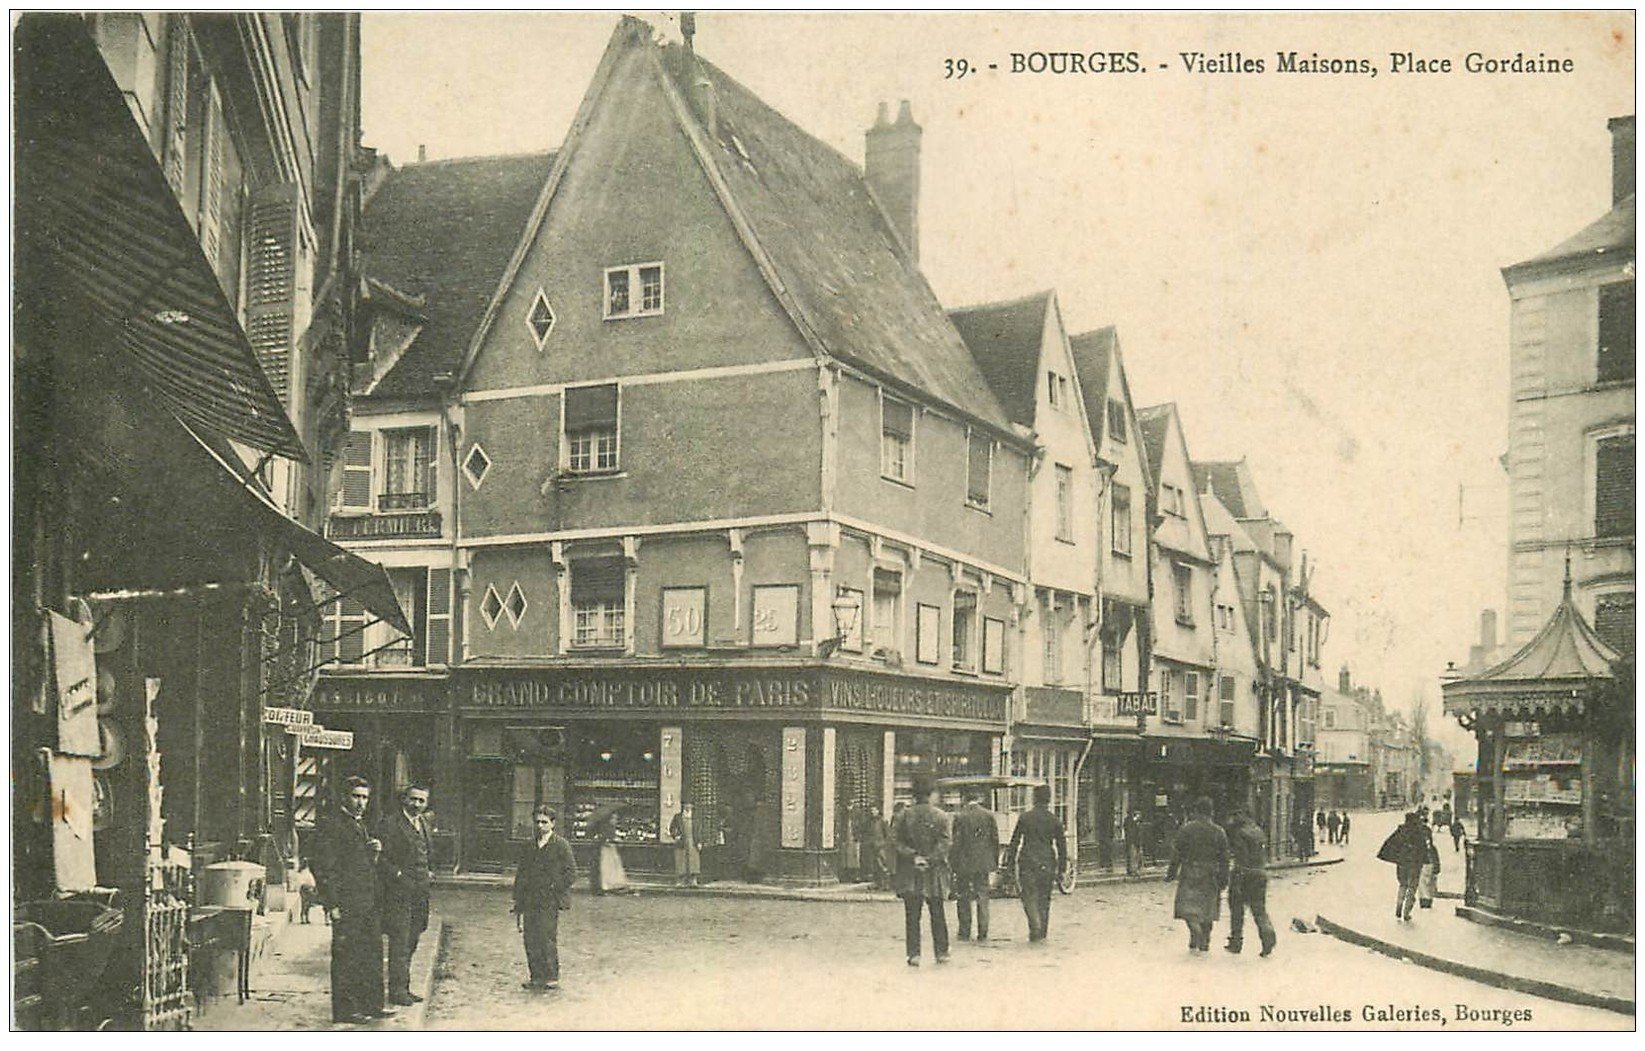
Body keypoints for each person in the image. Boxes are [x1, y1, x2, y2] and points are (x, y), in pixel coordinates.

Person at [311, 776, 391, 1024]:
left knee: (370, 953)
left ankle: (371, 1004)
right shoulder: (332, 825)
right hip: (347, 903)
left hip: (366, 901)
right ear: (344, 797)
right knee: (347, 957)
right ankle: (346, 1010)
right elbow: (325, 868)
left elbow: (358, 862)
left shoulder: (359, 824)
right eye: (356, 796)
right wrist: (332, 904)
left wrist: (373, 853)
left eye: (365, 797)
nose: (360, 802)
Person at [376, 783, 432, 1007]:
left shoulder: (424, 823)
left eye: (421, 801)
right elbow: (380, 859)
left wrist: (428, 872)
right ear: (404, 800)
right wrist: (398, 875)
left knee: (413, 939)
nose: (417, 804)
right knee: (399, 941)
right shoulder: (390, 824)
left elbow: (427, 852)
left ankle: (404, 987)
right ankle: (397, 990)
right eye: (413, 799)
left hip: (420, 893)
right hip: (399, 893)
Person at [512, 805, 577, 990]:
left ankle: (550, 976)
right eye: (537, 822)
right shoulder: (529, 845)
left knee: (546, 937)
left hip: (549, 899)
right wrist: (518, 898)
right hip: (530, 898)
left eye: (544, 822)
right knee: (530, 938)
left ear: (553, 824)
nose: (540, 826)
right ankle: (536, 976)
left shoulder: (561, 845)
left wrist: (554, 887)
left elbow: (571, 873)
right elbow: (522, 873)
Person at [891, 776, 952, 966]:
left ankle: (914, 954)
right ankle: (941, 952)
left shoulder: (903, 815)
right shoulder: (942, 816)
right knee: (937, 913)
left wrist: (913, 856)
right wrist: (930, 859)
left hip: (911, 872)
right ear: (931, 794)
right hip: (933, 872)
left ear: (913, 794)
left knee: (912, 915)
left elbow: (894, 841)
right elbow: (945, 843)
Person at [1007, 784, 1069, 944]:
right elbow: (1062, 846)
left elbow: (1014, 842)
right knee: (1044, 898)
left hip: (1028, 860)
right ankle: (1042, 932)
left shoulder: (1025, 818)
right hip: (1047, 861)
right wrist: (1062, 869)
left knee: (1028, 896)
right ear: (1049, 799)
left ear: (1034, 799)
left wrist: (1009, 864)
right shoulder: (1054, 820)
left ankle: (1034, 926)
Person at [1167, 796, 1229, 955]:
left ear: (1195, 811)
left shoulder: (1186, 829)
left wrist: (1171, 873)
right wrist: (1224, 878)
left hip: (1190, 871)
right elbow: (1224, 858)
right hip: (1211, 873)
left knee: (1188, 907)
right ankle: (1205, 942)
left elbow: (1177, 853)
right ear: (1211, 812)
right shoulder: (1219, 831)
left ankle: (1195, 931)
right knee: (1208, 909)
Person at [1222, 808, 1276, 957]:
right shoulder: (1258, 830)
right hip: (1260, 872)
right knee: (1259, 909)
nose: (1234, 818)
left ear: (1243, 816)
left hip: (1244, 873)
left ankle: (1236, 942)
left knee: (1236, 909)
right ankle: (1267, 935)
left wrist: (1237, 878)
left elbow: (1242, 856)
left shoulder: (1240, 833)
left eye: (1236, 815)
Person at [951, 789, 1000, 942]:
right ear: (978, 798)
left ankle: (965, 931)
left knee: (964, 895)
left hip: (964, 863)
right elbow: (995, 841)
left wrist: (953, 863)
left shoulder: (960, 816)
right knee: (982, 895)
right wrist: (994, 861)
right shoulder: (989, 815)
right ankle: (983, 931)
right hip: (983, 863)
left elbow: (956, 843)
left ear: (964, 798)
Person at [1378, 811, 1429, 921]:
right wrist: (1425, 860)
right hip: (1415, 864)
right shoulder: (1418, 832)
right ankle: (1406, 912)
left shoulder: (1401, 831)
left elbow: (1389, 843)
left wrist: (1395, 857)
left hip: (1402, 863)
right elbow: (1423, 848)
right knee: (1412, 887)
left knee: (1403, 885)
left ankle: (1399, 905)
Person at [590, 812, 630, 894]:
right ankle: (608, 884)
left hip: (611, 849)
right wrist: (612, 840)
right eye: (614, 819)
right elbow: (605, 839)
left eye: (616, 819)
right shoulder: (607, 828)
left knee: (612, 866)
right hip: (607, 850)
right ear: (609, 819)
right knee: (608, 867)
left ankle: (611, 884)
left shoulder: (611, 828)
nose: (615, 821)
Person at [669, 802, 701, 888]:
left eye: (690, 805)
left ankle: (693, 880)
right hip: (681, 842)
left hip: (692, 841)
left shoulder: (695, 818)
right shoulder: (678, 817)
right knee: (681, 860)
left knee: (693, 861)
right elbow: (672, 828)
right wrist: (675, 836)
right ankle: (680, 881)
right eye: (686, 805)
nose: (688, 806)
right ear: (683, 806)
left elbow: (699, 830)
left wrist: (699, 841)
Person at [1417, 823, 1442, 909]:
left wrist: (1437, 868)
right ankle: (1425, 900)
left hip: (1429, 865)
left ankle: (1427, 900)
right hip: (1424, 866)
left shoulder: (1431, 848)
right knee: (1423, 884)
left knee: (1428, 884)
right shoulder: (1424, 847)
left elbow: (1436, 858)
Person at [1124, 809, 1147, 876]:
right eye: (1138, 815)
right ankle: (1131, 870)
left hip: (1138, 842)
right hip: (1132, 841)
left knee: (1137, 856)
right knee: (1132, 856)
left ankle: (1136, 870)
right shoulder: (1129, 821)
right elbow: (1129, 831)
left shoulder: (1139, 822)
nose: (1139, 816)